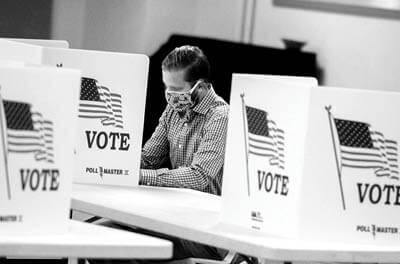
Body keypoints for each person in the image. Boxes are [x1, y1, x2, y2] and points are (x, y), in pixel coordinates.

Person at [139, 45, 229, 196]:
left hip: (206, 209)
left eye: (176, 89)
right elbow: (149, 159)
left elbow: (199, 176)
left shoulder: (220, 116)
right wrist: (119, 168)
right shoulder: (173, 109)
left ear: (199, 87)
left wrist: (141, 176)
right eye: (166, 87)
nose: (169, 94)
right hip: (176, 202)